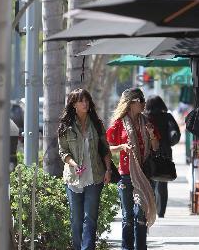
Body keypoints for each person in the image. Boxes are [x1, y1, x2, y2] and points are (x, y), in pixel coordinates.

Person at [58, 88, 112, 250]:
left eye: (87, 100)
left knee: (90, 218)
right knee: (76, 219)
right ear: (73, 104)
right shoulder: (66, 126)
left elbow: (105, 149)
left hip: (94, 177)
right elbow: (63, 152)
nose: (85, 103)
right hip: (73, 179)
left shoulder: (96, 123)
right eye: (81, 101)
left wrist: (108, 169)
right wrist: (75, 164)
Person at [106, 88, 159, 250]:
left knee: (140, 215)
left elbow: (156, 147)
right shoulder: (118, 124)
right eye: (140, 101)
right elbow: (107, 148)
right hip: (126, 175)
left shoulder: (147, 122)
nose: (144, 104)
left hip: (144, 174)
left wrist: (151, 135)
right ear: (131, 103)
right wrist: (121, 146)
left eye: (143, 100)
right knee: (128, 216)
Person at [144, 95, 181, 218]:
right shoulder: (167, 116)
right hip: (165, 152)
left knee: (150, 183)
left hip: (149, 153)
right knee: (163, 182)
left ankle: (152, 209)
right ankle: (161, 212)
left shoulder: (145, 118)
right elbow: (175, 132)